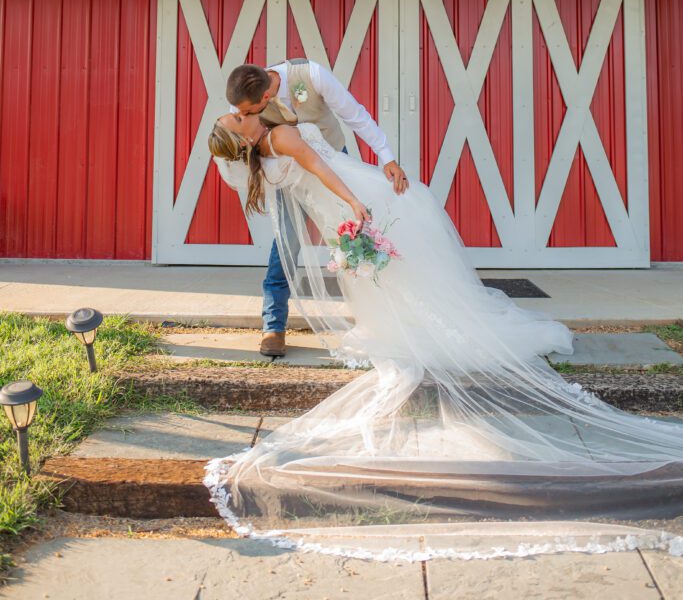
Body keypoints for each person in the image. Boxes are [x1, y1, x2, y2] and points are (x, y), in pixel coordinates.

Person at [206, 114, 683, 561]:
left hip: (334, 207)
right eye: (237, 118)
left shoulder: (261, 159)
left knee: (391, 267)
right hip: (350, 192)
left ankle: (405, 319)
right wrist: (353, 201)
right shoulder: (279, 136)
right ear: (244, 135)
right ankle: (423, 318)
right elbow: (320, 167)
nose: (240, 113)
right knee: (405, 248)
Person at [223, 61, 408, 357]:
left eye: (247, 112)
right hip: (289, 173)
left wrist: (387, 157)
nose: (242, 116)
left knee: (356, 241)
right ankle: (273, 325)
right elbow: (233, 139)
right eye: (240, 112)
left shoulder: (311, 75)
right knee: (286, 244)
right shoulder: (243, 98)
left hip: (332, 162)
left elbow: (354, 115)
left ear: (266, 98)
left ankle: (379, 319)